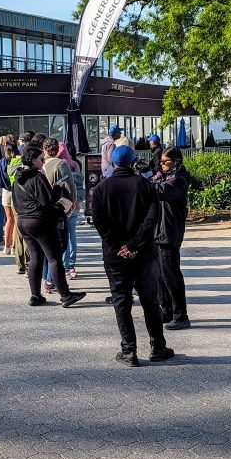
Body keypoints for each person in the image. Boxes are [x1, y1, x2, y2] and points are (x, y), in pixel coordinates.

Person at [90, 144, 174, 366]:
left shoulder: (100, 189)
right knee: (149, 300)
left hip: (115, 254)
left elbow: (100, 222)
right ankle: (157, 345)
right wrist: (134, 244)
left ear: (114, 163)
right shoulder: (146, 186)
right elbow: (152, 218)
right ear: (132, 162)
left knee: (121, 302)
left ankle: (129, 351)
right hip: (143, 252)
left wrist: (119, 245)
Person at [12, 145, 85, 308]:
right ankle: (66, 296)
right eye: (41, 159)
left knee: (35, 258)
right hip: (40, 221)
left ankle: (35, 295)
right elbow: (49, 200)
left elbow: (15, 201)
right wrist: (58, 187)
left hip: (23, 221)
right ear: (33, 160)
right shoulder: (38, 177)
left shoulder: (17, 177)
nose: (43, 162)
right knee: (54, 258)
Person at [153, 146, 191, 329]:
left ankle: (180, 314)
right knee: (159, 274)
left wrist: (147, 183)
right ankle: (166, 310)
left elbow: (163, 191)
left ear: (176, 161)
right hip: (159, 230)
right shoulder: (163, 176)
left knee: (171, 273)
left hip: (170, 231)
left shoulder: (180, 179)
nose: (162, 166)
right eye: (160, 162)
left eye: (165, 162)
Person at [40, 137, 76, 295]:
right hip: (58, 209)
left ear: (44, 149)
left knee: (47, 247)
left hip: (42, 210)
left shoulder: (41, 165)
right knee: (60, 245)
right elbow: (70, 186)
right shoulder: (61, 164)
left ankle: (46, 278)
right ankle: (50, 280)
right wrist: (72, 204)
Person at [59, 141, 84, 280]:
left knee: (64, 235)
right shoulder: (75, 164)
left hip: (64, 205)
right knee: (72, 235)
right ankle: (72, 264)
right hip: (76, 204)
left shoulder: (60, 165)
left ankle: (66, 264)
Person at [0, 141, 20, 256]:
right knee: (16, 220)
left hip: (6, 192)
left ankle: (6, 246)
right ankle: (14, 246)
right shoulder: (17, 161)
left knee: (8, 219)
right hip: (16, 191)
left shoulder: (2, 162)